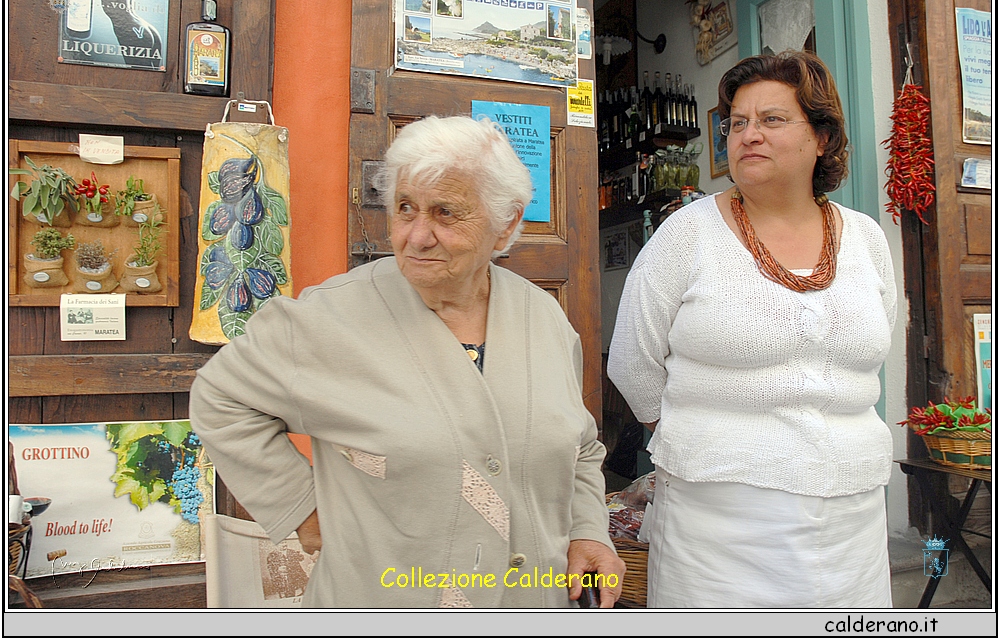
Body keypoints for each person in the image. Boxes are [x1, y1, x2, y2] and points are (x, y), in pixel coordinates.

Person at [190, 115, 624, 608]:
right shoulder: (327, 318)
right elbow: (218, 398)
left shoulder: (543, 317)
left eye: (445, 213)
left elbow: (581, 448)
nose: (417, 236)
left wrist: (588, 531)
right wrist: (302, 506)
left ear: (505, 225)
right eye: (405, 209)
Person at [608, 51, 897, 608]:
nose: (748, 135)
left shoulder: (865, 240)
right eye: (737, 123)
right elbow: (632, 360)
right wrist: (710, 436)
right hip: (717, 520)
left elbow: (869, 346)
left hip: (852, 516)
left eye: (772, 119)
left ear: (821, 137)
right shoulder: (687, 235)